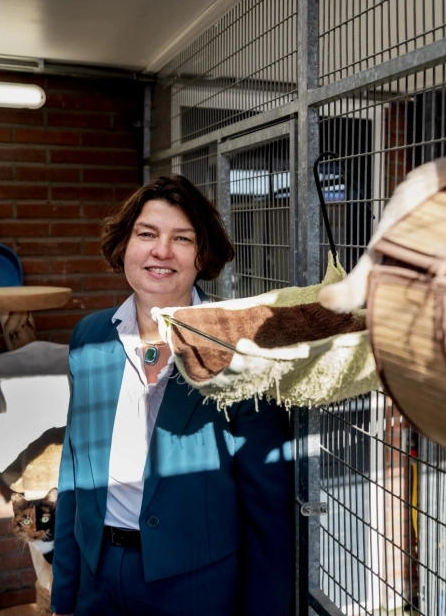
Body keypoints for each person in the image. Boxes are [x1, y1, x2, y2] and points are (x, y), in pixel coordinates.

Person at [51, 174, 294, 616]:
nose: (161, 251)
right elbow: (74, 470)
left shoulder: (242, 348)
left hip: (196, 587)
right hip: (99, 577)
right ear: (125, 244)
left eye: (181, 238)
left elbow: (267, 507)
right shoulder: (88, 338)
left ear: (203, 255)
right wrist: (65, 594)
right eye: (147, 234)